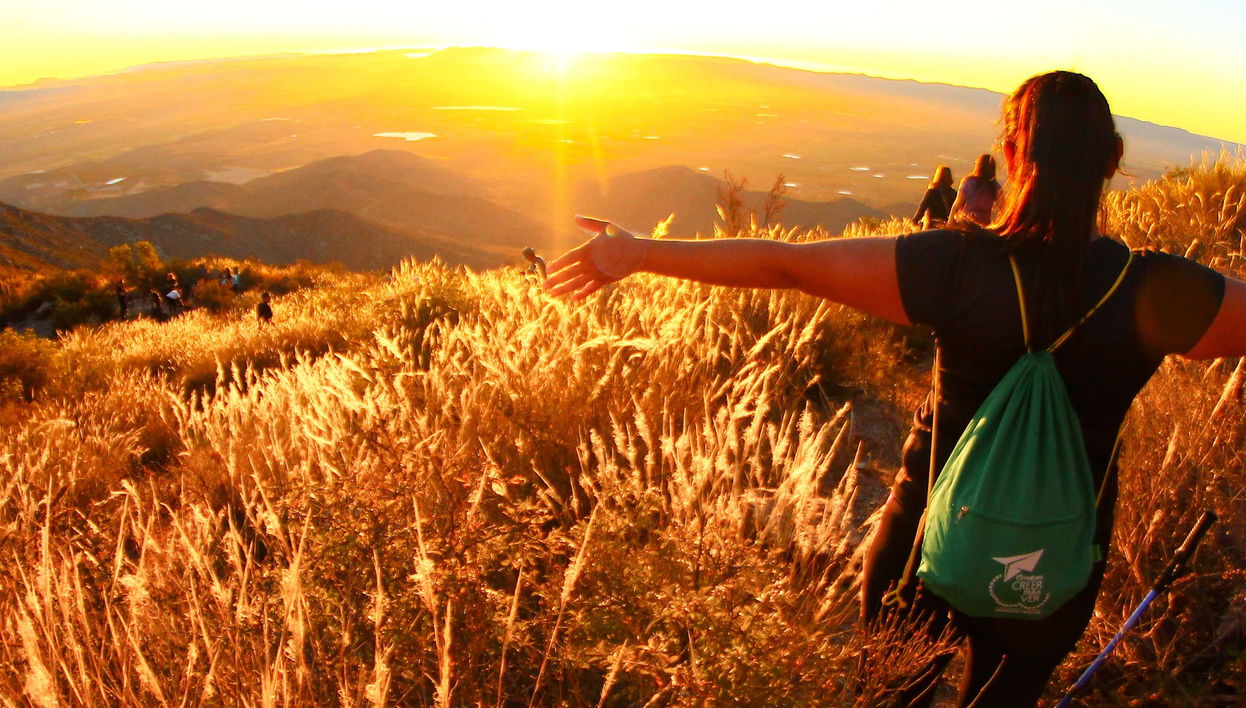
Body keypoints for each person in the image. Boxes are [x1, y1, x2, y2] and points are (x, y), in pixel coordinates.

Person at [544, 71, 1245, 707]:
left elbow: (786, 266)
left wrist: (638, 253)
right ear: (1113, 161)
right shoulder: (1158, 289)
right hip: (1056, 565)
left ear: (1010, 153)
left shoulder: (957, 264)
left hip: (924, 548)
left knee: (890, 699)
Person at [950, 154, 1002, 226]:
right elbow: (1004, 209)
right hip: (984, 225)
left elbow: (956, 206)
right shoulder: (995, 186)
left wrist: (950, 224)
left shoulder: (968, 182)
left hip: (966, 224)